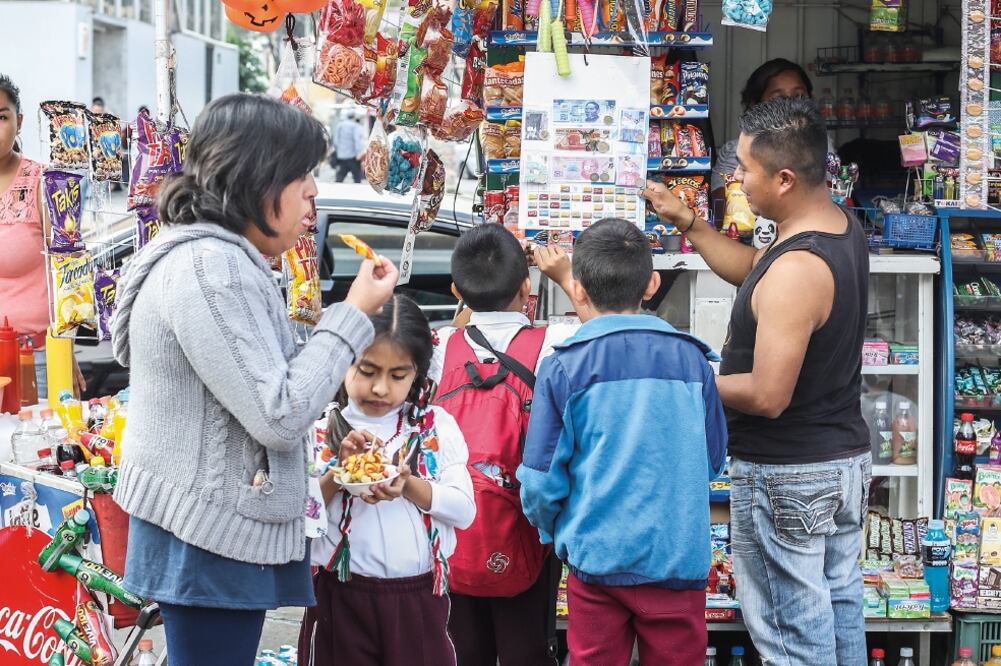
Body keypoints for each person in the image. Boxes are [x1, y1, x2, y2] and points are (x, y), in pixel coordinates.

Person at [110, 93, 399, 666]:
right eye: (301, 175)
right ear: (258, 178)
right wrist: (353, 313)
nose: (313, 192)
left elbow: (259, 389)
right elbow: (278, 413)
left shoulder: (218, 259)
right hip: (208, 533)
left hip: (210, 526)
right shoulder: (211, 269)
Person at [642, 97, 870, 666]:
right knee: (839, 617)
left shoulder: (798, 270)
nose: (737, 180)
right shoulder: (833, 226)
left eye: (745, 169)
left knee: (794, 643)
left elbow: (768, 395)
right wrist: (688, 221)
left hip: (789, 474)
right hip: (839, 463)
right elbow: (752, 271)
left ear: (785, 178)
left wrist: (687, 379)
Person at [518, 218, 727, 666]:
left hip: (597, 559)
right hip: (676, 560)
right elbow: (713, 461)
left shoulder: (564, 367)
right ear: (652, 284)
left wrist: (556, 532)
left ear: (577, 289)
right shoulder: (693, 362)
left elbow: (539, 483)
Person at [430, 224, 579, 666]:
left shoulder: (440, 347)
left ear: (456, 291)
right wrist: (564, 275)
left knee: (462, 651)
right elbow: (607, 332)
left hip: (453, 535)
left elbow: (461, 329)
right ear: (526, 288)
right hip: (528, 531)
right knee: (525, 651)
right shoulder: (555, 342)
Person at [301, 294, 475, 665]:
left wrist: (409, 485)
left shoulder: (432, 427)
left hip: (419, 600)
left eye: (397, 376)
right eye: (367, 371)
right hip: (340, 599)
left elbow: (464, 511)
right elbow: (300, 520)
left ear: (417, 374)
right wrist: (338, 475)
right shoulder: (318, 430)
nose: (381, 388)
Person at [0, 73, 86, 399]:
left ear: (19, 122)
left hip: (36, 359)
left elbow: (73, 274)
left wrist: (65, 350)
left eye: (1, 117)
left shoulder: (48, 183)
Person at [334, 113, 367, 183]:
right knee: (357, 178)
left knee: (340, 176)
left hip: (342, 155)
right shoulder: (355, 126)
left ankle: (336, 187)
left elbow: (336, 141)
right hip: (353, 156)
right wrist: (359, 152)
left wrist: (338, 151)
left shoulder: (340, 125)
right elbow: (357, 140)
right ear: (354, 117)